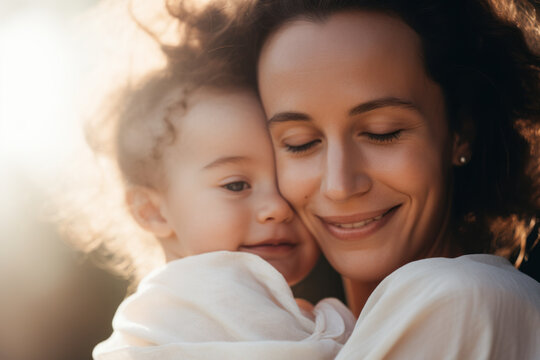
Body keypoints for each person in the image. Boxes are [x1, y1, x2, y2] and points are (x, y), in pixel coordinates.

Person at [55, 2, 356, 359]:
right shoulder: (192, 303)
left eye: (284, 180)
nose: (278, 207)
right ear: (152, 211)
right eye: (235, 185)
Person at [247, 0, 540, 358]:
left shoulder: (464, 298)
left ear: (460, 131)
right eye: (300, 143)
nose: (339, 185)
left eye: (382, 133)